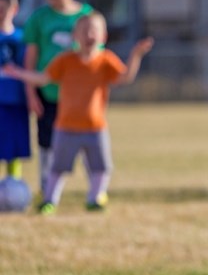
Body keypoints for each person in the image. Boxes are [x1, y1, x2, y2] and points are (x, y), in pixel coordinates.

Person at [3, 11, 154, 214]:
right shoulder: (65, 60)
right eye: (84, 31)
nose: (89, 35)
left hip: (96, 127)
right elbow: (43, 78)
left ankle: (95, 197)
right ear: (74, 36)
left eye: (94, 30)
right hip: (66, 126)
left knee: (101, 167)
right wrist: (20, 74)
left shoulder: (105, 60)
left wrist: (135, 55)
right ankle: (50, 200)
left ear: (104, 37)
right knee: (58, 167)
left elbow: (125, 77)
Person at [22, 0, 94, 197]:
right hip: (49, 93)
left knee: (87, 143)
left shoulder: (86, 16)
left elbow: (96, 58)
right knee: (47, 142)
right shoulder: (39, 18)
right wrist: (31, 93)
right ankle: (47, 189)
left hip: (80, 97)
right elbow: (30, 60)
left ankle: (95, 189)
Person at [0, 0, 30, 180]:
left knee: (13, 148)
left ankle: (12, 185)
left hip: (16, 102)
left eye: (3, 9)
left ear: (15, 9)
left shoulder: (22, 38)